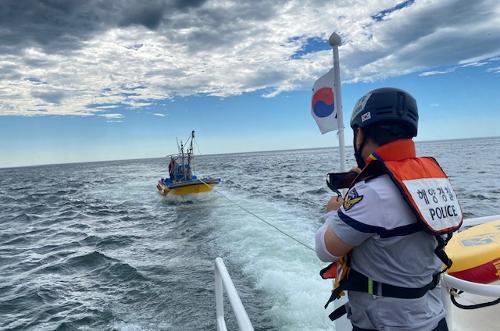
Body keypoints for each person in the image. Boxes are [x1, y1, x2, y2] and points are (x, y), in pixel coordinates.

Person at [315, 88, 462, 331]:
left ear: (360, 134)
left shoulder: (371, 193)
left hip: (386, 325)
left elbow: (325, 249)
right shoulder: (434, 182)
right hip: (433, 318)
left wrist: (333, 212)